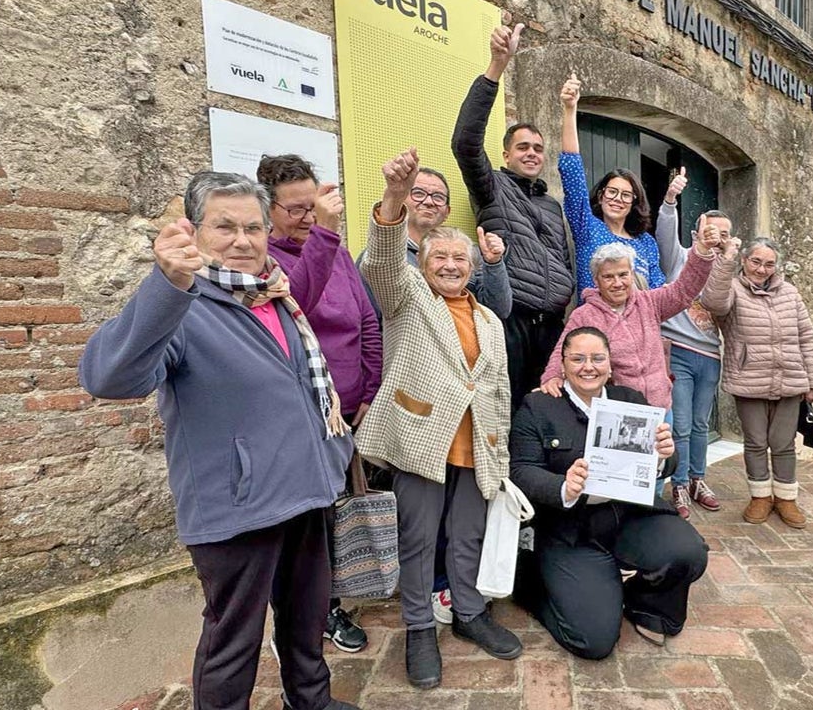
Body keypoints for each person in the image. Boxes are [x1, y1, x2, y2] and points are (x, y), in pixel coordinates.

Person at [78, 172, 359, 710]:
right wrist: (166, 284)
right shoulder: (182, 307)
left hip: (306, 490)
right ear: (196, 233)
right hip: (238, 507)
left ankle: (312, 702)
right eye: (224, 226)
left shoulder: (275, 296)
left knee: (306, 622)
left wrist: (334, 457)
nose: (242, 240)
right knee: (234, 643)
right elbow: (107, 378)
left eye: (252, 227)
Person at [357, 148, 521, 690]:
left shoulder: (489, 319)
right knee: (419, 539)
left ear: (473, 268)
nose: (450, 265)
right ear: (423, 264)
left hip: (479, 444)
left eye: (460, 260)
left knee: (467, 534)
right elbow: (380, 262)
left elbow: (496, 387)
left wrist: (500, 447)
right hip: (421, 437)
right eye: (439, 258)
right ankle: (420, 627)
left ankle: (470, 613)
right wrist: (394, 200)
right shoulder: (406, 297)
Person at [510, 327, 710, 658]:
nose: (588, 366)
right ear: (563, 364)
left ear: (609, 364)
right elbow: (520, 469)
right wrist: (562, 486)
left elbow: (667, 461)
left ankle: (646, 606)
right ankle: (534, 588)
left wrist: (664, 455)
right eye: (577, 358)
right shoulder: (538, 406)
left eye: (597, 358)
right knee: (594, 641)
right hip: (570, 531)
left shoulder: (630, 401)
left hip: (629, 516)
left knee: (688, 553)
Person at [256, 153, 379, 654]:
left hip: (346, 411)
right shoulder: (264, 262)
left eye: (315, 207)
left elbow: (366, 322)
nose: (309, 218)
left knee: (340, 510)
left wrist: (367, 393)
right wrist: (325, 235)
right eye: (296, 210)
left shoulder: (340, 254)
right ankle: (317, 611)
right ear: (269, 212)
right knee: (312, 520)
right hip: (304, 415)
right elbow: (296, 306)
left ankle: (329, 596)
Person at [451, 17, 575, 410]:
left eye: (538, 148)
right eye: (522, 146)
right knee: (507, 410)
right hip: (510, 321)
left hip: (552, 326)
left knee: (548, 414)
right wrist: (496, 68)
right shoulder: (492, 187)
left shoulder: (551, 205)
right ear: (506, 154)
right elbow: (465, 142)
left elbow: (562, 259)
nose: (532, 153)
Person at [699, 235, 813, 529]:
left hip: (790, 379)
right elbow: (712, 302)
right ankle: (760, 497)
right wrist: (725, 260)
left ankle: (786, 499)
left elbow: (807, 337)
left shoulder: (790, 293)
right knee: (755, 443)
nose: (761, 268)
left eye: (769, 264)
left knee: (783, 444)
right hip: (749, 379)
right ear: (745, 260)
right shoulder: (731, 290)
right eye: (755, 261)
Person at [538, 215, 721, 412]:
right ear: (596, 280)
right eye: (608, 277)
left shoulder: (650, 302)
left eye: (623, 275)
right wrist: (552, 376)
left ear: (632, 275)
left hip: (660, 407)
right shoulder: (585, 315)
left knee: (669, 443)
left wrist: (701, 252)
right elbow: (564, 349)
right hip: (618, 410)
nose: (617, 283)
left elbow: (684, 290)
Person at [655, 168, 732, 517]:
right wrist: (671, 198)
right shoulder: (680, 257)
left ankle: (699, 478)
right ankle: (680, 484)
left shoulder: (729, 268)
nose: (717, 237)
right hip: (680, 353)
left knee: (701, 424)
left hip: (710, 357)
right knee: (681, 424)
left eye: (724, 234)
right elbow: (664, 231)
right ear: (696, 232)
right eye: (710, 231)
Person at [356, 164, 512, 319]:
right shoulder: (381, 257)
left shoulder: (467, 254)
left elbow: (498, 311)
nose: (429, 202)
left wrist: (494, 263)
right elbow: (368, 319)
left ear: (447, 212)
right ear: (402, 200)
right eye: (418, 193)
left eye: (438, 197)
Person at [557, 73, 665, 295]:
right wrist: (570, 110)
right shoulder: (587, 227)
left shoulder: (646, 243)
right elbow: (571, 171)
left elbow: (658, 294)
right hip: (596, 325)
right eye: (612, 192)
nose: (617, 199)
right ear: (601, 196)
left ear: (635, 202)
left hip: (636, 328)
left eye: (626, 195)